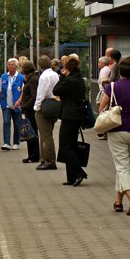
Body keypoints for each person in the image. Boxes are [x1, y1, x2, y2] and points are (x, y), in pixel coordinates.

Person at [98, 56, 130, 216]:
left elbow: (101, 108)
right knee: (128, 166)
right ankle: (118, 201)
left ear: (119, 70)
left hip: (116, 130)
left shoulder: (112, 87)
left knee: (122, 167)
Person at [53, 55, 88, 186]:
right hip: (76, 115)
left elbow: (56, 90)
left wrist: (62, 77)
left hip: (69, 115)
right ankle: (71, 176)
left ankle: (79, 172)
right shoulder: (78, 79)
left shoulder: (69, 80)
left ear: (67, 68)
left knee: (65, 145)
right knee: (71, 145)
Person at [34, 55, 59, 170]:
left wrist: (37, 107)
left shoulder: (44, 77)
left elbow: (41, 94)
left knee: (45, 136)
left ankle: (50, 161)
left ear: (39, 65)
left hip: (45, 106)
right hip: (54, 105)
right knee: (46, 134)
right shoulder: (55, 74)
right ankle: (43, 159)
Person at [0, 58, 24, 151]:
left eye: (12, 65)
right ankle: (6, 143)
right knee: (6, 122)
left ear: (16, 66)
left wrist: (20, 101)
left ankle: (16, 142)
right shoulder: (3, 77)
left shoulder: (21, 78)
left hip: (17, 105)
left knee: (17, 124)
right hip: (6, 105)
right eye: (9, 65)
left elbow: (24, 92)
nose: (10, 66)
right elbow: (0, 91)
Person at [18, 60, 41, 164]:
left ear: (25, 69)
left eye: (21, 67)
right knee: (30, 132)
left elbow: (33, 95)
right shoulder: (30, 79)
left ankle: (34, 155)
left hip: (31, 110)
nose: (20, 69)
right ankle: (32, 155)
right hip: (28, 109)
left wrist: (25, 106)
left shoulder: (33, 80)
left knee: (32, 132)